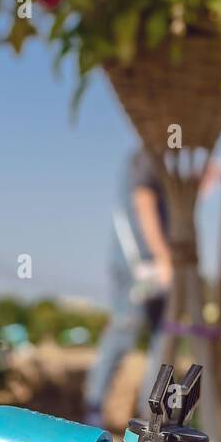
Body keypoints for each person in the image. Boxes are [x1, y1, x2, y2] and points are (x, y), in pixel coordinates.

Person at [83, 147, 172, 426]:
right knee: (125, 330)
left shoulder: (155, 160)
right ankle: (94, 411)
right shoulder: (148, 157)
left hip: (147, 264)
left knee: (163, 337)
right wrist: (163, 257)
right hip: (140, 265)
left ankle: (152, 417)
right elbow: (143, 202)